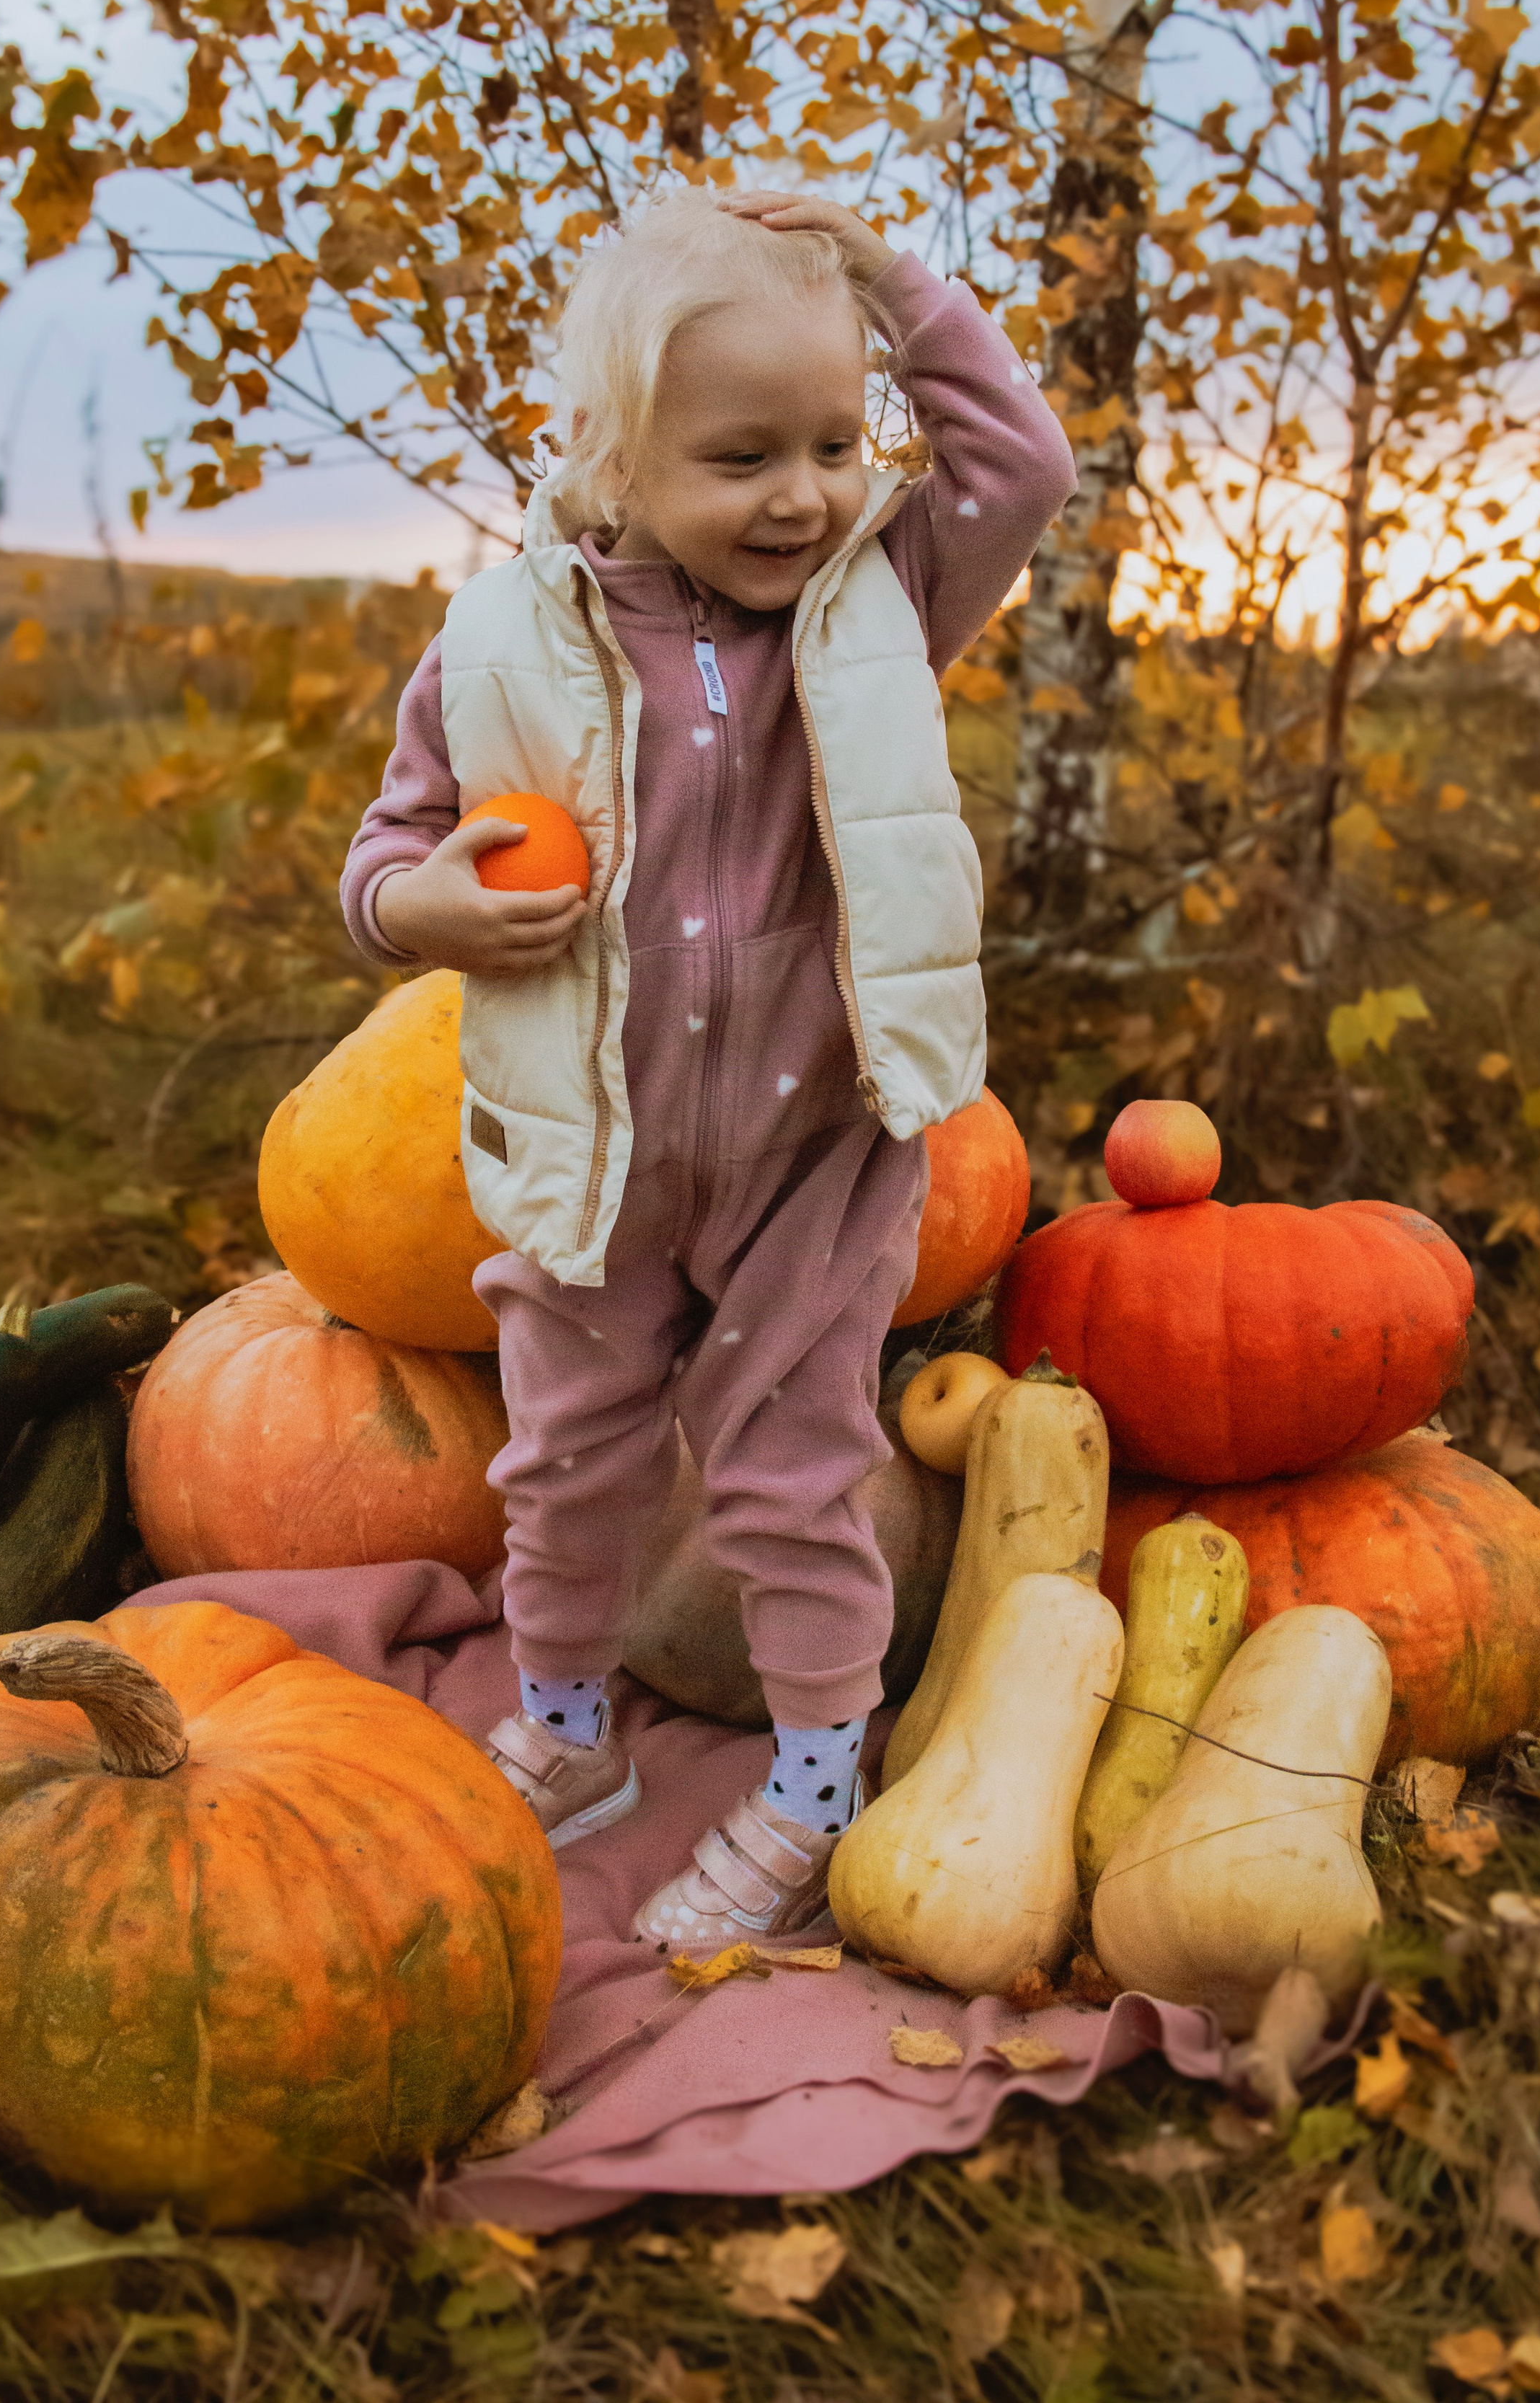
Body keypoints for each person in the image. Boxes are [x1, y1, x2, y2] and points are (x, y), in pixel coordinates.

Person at [340, 187, 1076, 1952]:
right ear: (611, 455)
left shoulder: (875, 598)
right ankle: (569, 1728)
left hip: (814, 1150)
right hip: (591, 1150)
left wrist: (885, 284)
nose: (802, 495)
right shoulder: (498, 640)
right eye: (742, 457)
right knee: (564, 1463)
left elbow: (1021, 464)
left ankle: (817, 1782)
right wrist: (423, 908)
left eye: (834, 442)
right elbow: (388, 851)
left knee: (791, 1473)